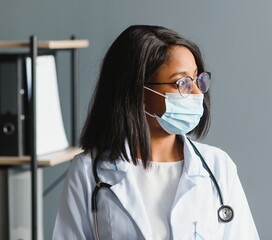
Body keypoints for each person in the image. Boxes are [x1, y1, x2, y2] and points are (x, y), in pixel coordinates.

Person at [52, 25, 260, 240]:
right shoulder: (88, 172)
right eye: (182, 83)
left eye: (198, 79)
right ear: (138, 92)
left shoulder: (218, 167)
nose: (198, 92)